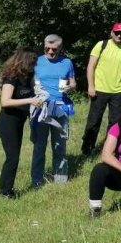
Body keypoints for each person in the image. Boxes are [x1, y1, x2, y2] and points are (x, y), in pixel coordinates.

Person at [81, 23, 121, 156]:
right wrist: (91, 86)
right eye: (116, 33)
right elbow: (90, 66)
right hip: (99, 89)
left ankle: (109, 149)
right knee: (93, 121)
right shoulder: (101, 45)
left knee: (115, 123)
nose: (119, 35)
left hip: (119, 91)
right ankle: (87, 148)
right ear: (111, 32)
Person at [32, 34, 77, 186]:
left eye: (54, 49)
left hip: (60, 108)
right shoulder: (36, 61)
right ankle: (37, 181)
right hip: (41, 108)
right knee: (39, 146)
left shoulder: (67, 63)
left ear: (60, 49)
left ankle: (60, 181)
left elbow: (73, 83)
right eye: (47, 49)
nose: (51, 52)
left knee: (60, 146)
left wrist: (70, 87)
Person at [0, 49, 42, 198]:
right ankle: (5, 192)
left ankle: (7, 190)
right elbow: (5, 101)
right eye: (32, 63)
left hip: (19, 121)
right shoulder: (11, 77)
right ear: (24, 62)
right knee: (12, 157)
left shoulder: (27, 77)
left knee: (15, 156)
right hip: (7, 122)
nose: (34, 66)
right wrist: (30, 100)